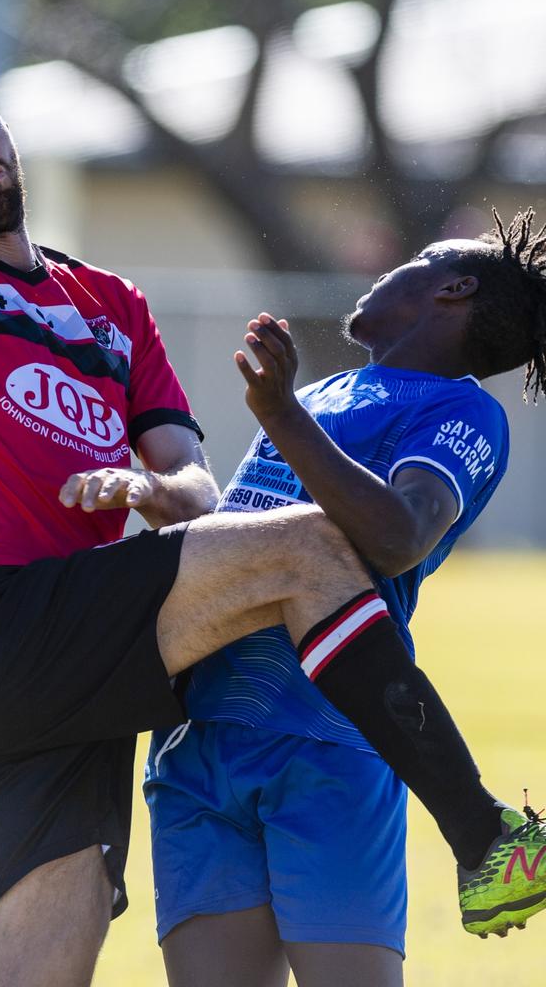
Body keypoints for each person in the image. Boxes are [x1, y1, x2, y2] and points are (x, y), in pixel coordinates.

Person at [0, 52, 542, 986]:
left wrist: (141, 490)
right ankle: (479, 830)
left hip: (99, 663)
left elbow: (197, 493)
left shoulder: (111, 309)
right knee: (307, 546)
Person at [145, 212, 546, 987]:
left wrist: (284, 416)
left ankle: (483, 833)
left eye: (421, 259)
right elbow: (237, 544)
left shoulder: (462, 413)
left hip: (327, 744)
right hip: (198, 744)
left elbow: (399, 535)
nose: (388, 267)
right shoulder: (323, 392)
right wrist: (151, 494)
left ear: (454, 288)